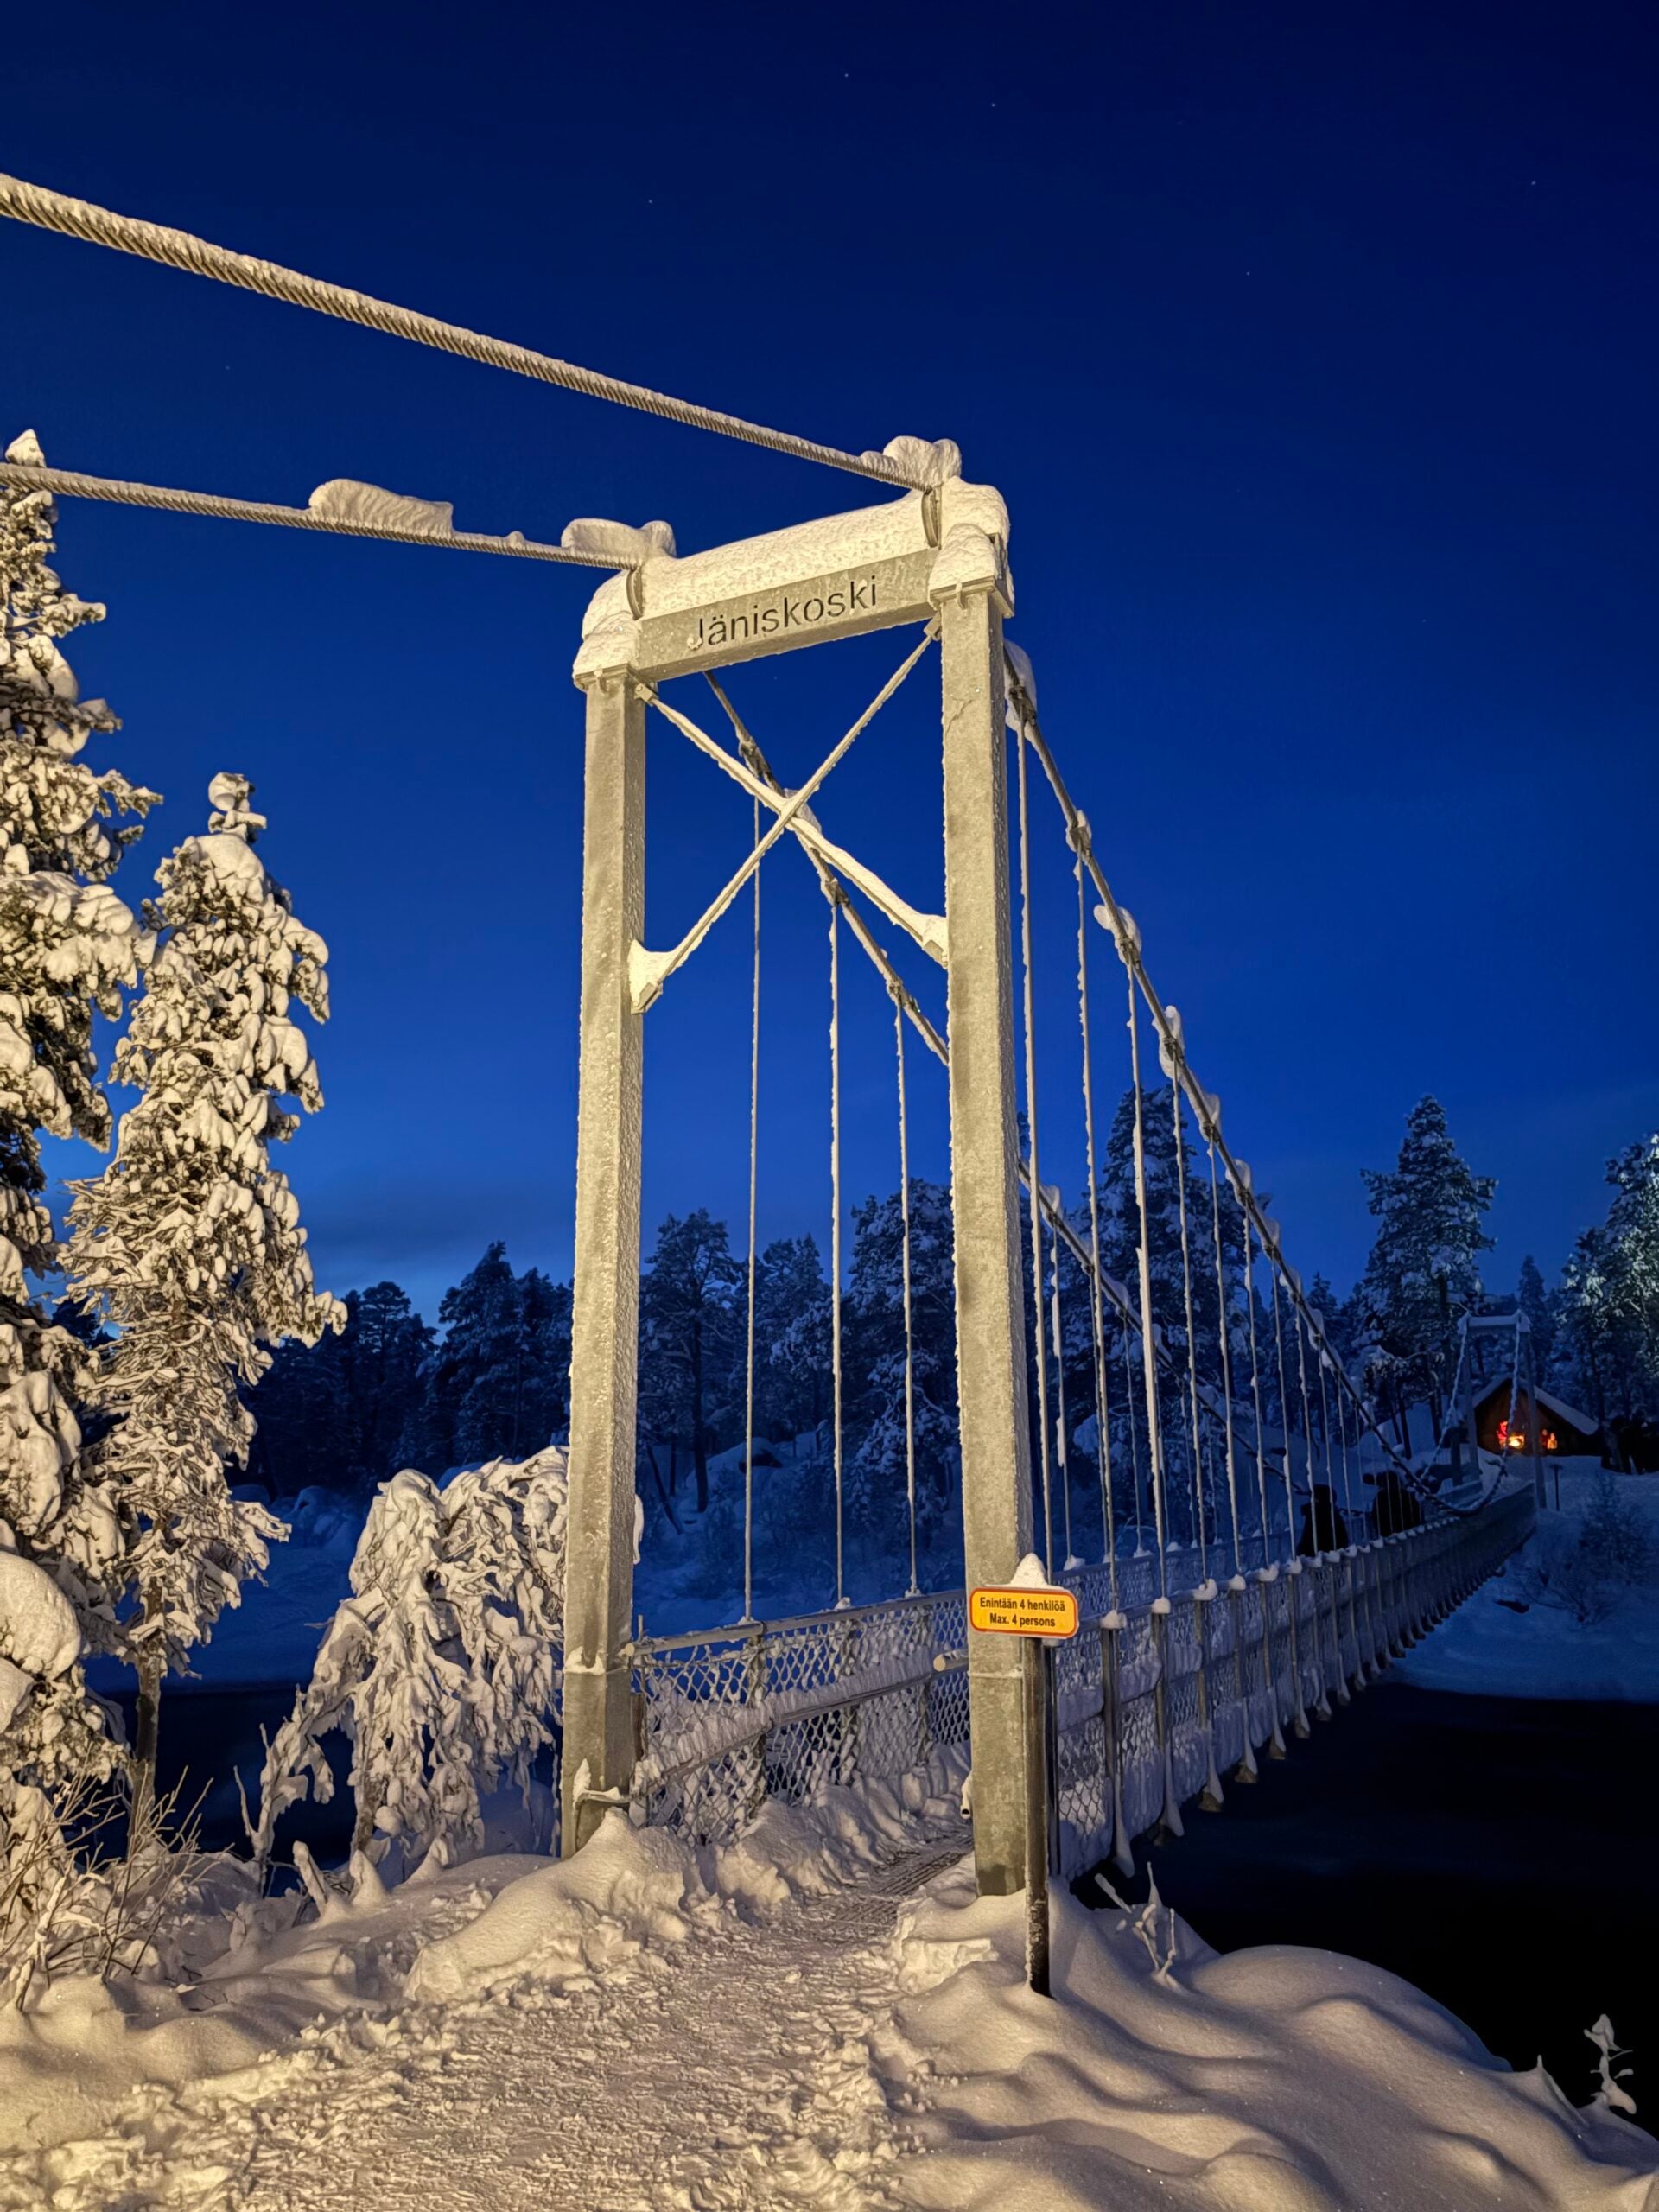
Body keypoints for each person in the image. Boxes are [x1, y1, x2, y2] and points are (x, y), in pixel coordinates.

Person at [1296, 1483, 1350, 1556]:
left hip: (1320, 1559)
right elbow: (1343, 1540)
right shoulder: (1333, 1513)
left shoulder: (1317, 1514)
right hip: (1332, 1557)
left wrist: (1300, 1553)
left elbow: (1308, 1540)